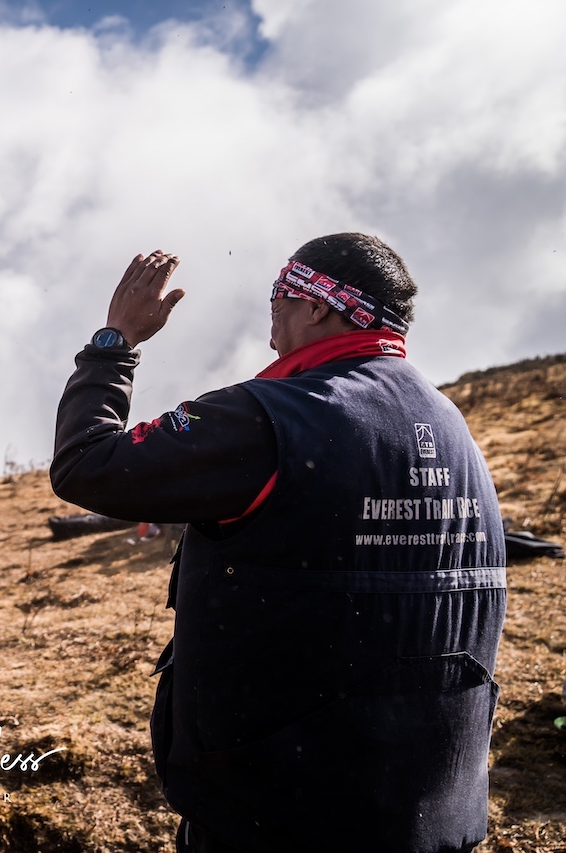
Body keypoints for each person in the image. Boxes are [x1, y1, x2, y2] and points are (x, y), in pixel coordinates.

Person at [50, 234, 507, 853]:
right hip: (431, 806)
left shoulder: (269, 417)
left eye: (277, 299)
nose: (270, 327)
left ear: (316, 306)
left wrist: (116, 342)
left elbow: (87, 465)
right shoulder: (451, 425)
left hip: (279, 810)